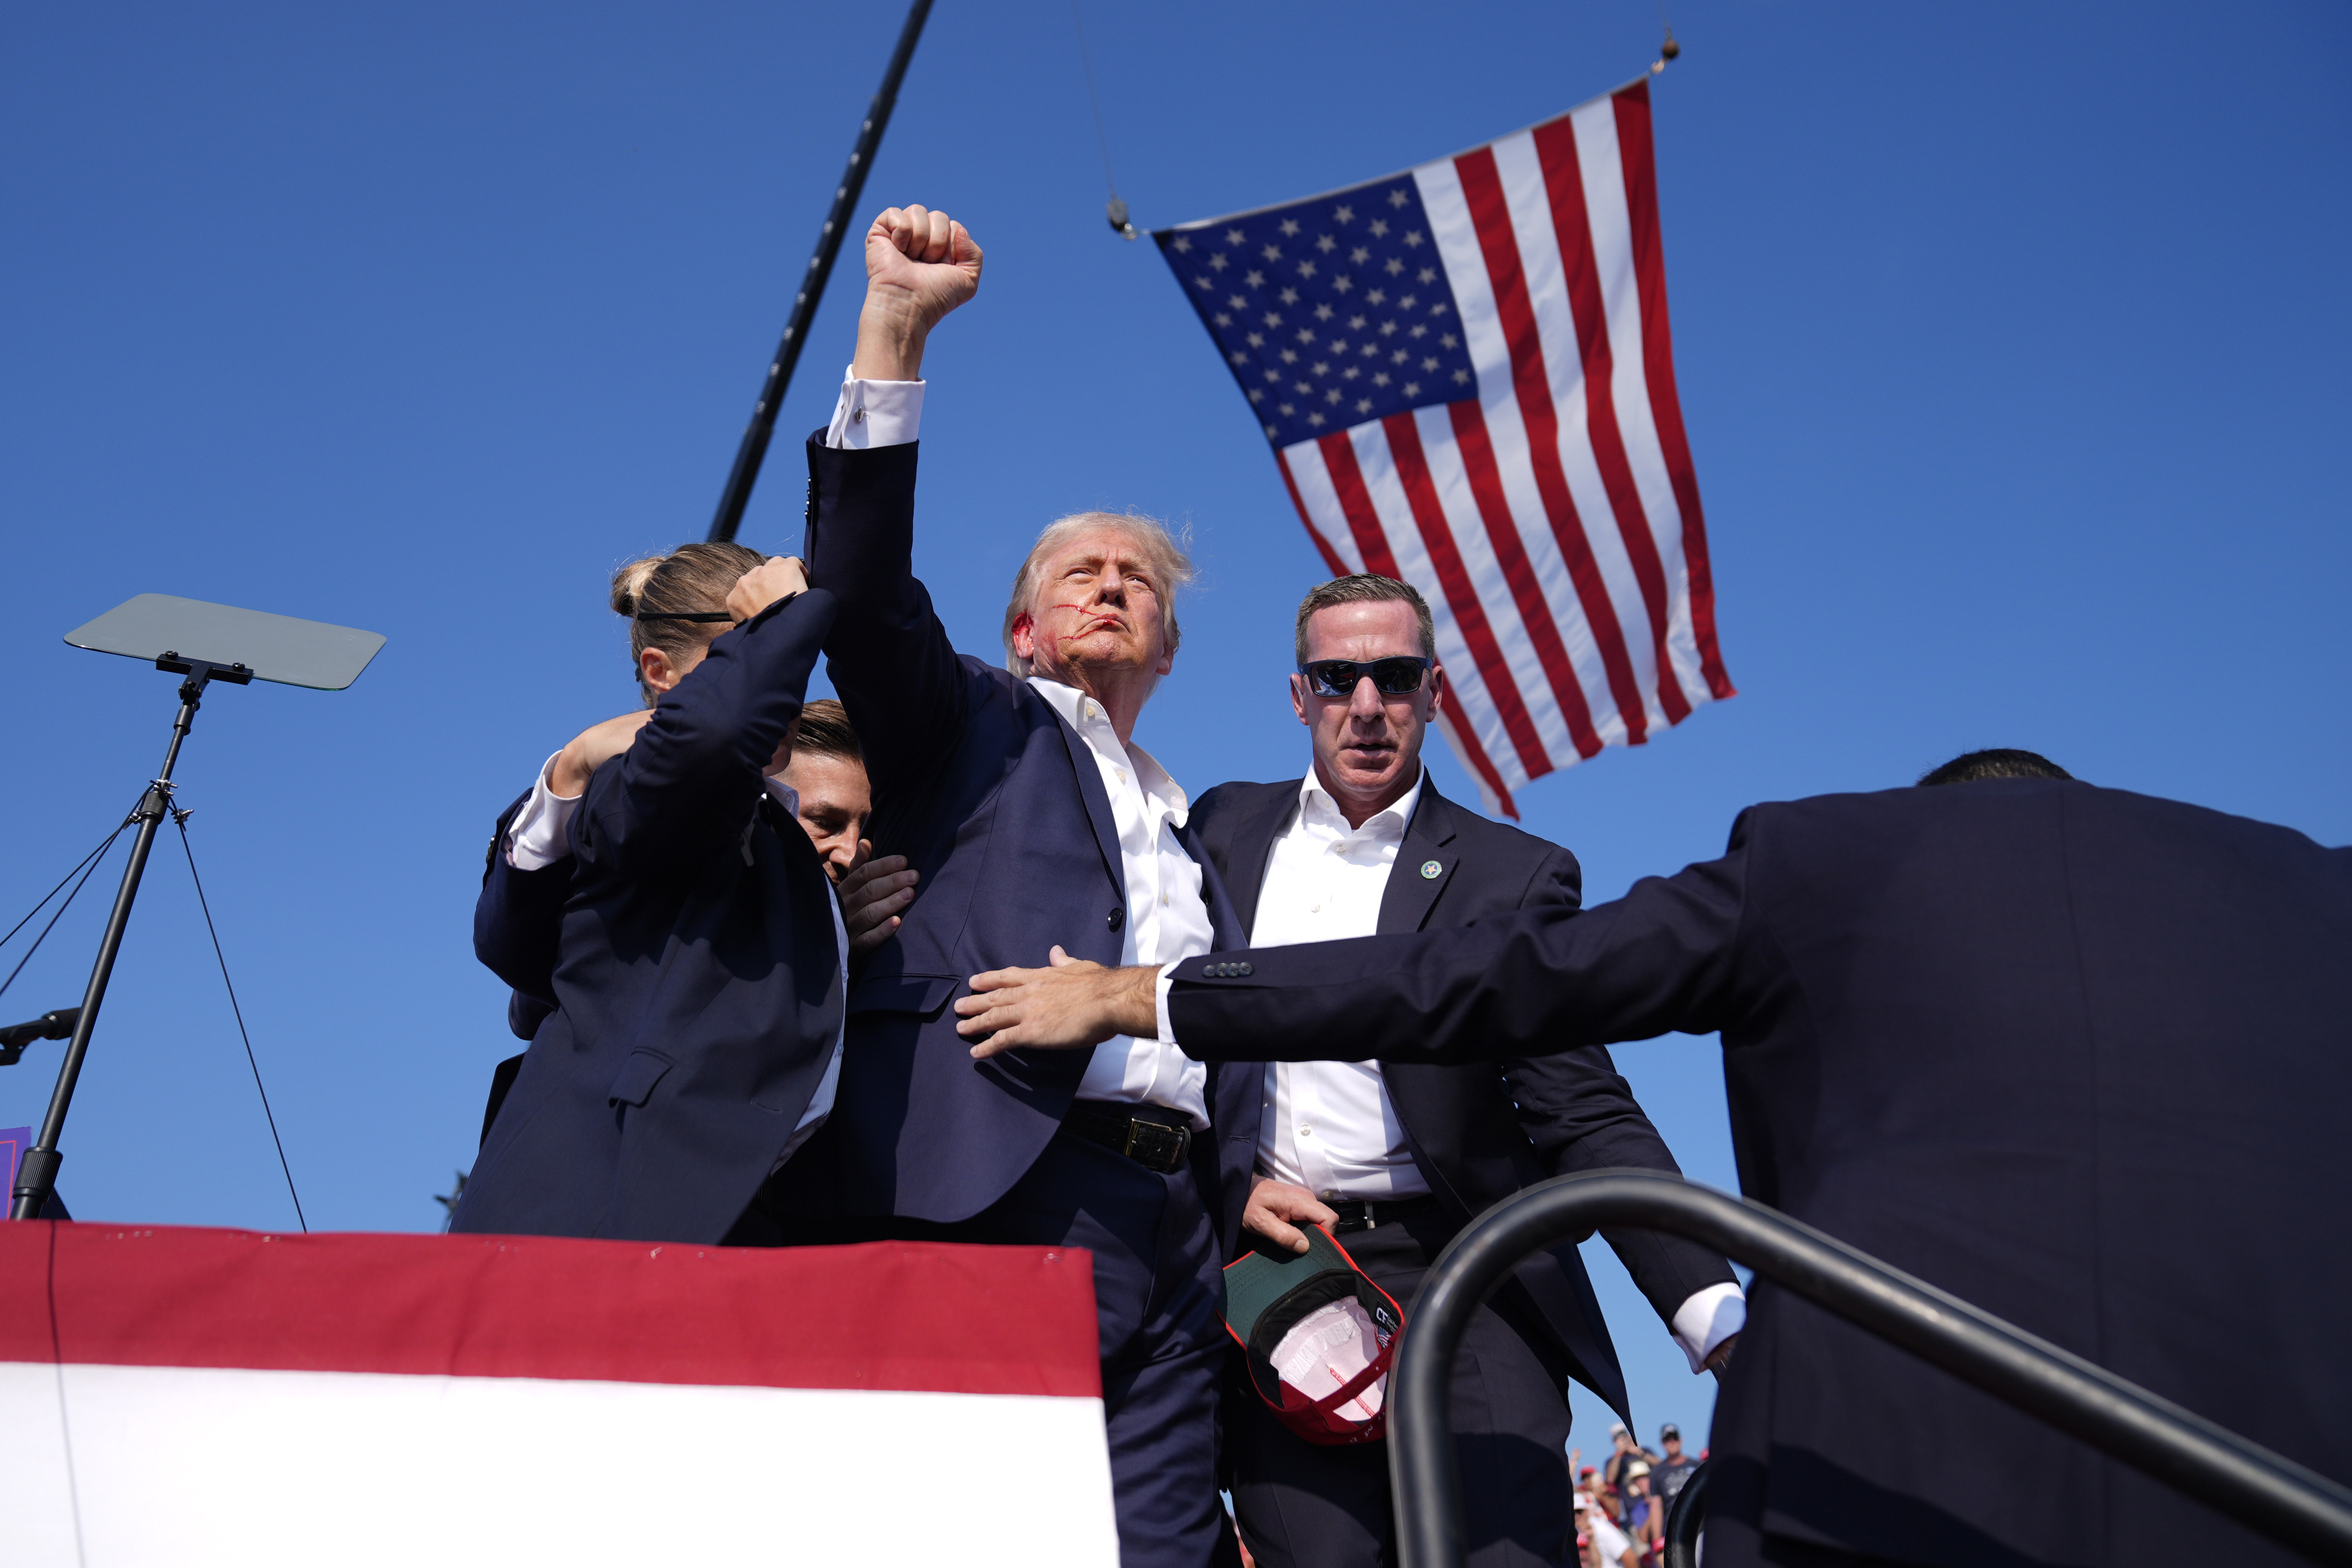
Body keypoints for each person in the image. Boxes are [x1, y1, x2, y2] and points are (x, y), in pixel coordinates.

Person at [962, 750, 2352, 1566]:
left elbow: (1484, 989)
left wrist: (1151, 993)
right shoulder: (2310, 889)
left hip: (1892, 1444)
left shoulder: (1825, 859)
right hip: (2287, 1456)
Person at [802, 203, 1245, 1568]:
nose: (1113, 588)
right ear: (1022, 626)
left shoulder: (1199, 819)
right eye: (1081, 573)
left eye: (1138, 581)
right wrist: (894, 332)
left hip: (1183, 1234)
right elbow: (863, 597)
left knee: (1158, 1548)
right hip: (1012, 1184)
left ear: (1166, 641)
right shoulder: (974, 725)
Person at [1188, 574, 1743, 1568]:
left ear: (1434, 692)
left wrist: (1715, 1315)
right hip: (1278, 1270)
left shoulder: (1512, 873)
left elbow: (1579, 1105)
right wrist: (1228, 1188)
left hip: (1469, 1271)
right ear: (1297, 693)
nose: (1365, 705)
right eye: (1337, 676)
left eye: (1393, 677)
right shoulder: (1218, 833)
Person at [449, 548, 847, 1243]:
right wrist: (787, 620)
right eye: (750, 648)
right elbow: (715, 735)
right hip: (601, 1205)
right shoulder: (633, 780)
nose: (784, 679)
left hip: (713, 1217)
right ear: (660, 674)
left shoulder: (770, 839)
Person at [1649, 1424, 1696, 1511]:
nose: (1672, 1442)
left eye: (1675, 1438)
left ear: (1681, 1440)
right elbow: (1656, 1507)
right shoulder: (1657, 1473)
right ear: (1662, 1443)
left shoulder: (1697, 1466)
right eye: (1667, 1440)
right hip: (1672, 1523)